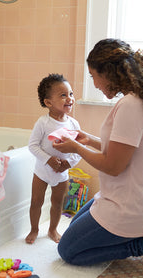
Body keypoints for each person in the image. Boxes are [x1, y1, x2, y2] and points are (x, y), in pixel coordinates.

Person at [52, 39, 143, 278]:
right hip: (135, 200)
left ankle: (142, 244)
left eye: (94, 76)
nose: (95, 84)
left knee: (68, 250)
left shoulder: (131, 106)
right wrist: (88, 140)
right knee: (73, 229)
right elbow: (127, 150)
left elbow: (113, 166)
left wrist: (74, 148)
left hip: (129, 207)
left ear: (109, 73)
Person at [26, 73, 82, 244]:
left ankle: (52, 229)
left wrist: (69, 163)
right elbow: (32, 146)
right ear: (48, 102)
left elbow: (80, 150)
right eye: (63, 95)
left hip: (62, 172)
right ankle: (34, 229)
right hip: (42, 171)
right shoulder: (43, 123)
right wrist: (48, 159)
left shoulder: (73, 124)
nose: (69, 98)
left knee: (57, 203)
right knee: (36, 202)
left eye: (71, 94)